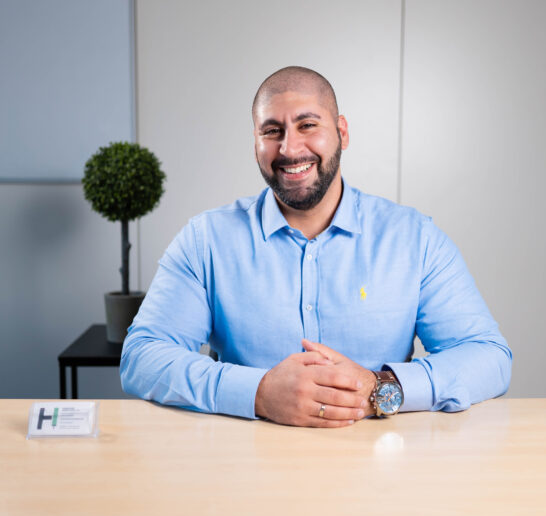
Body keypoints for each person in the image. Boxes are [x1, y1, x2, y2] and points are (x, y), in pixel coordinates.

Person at [121, 66, 512, 428]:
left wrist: (379, 387)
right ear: (255, 143)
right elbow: (143, 356)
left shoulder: (415, 239)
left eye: (307, 125)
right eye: (272, 131)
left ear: (342, 132)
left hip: (382, 469)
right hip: (245, 467)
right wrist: (258, 393)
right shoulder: (206, 240)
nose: (290, 148)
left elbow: (488, 356)